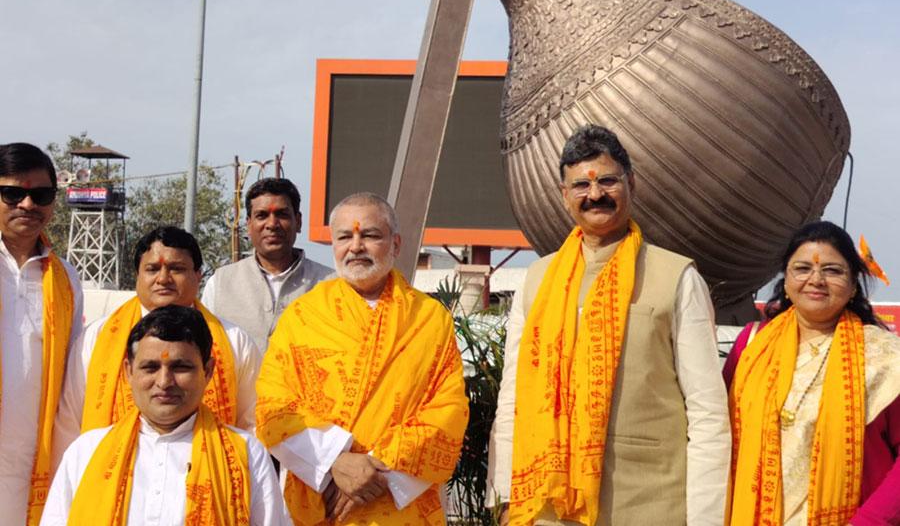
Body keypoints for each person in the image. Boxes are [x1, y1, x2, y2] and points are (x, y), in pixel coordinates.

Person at [486, 125, 731, 526]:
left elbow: (707, 409)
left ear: (631, 183)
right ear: (564, 195)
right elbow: (513, 396)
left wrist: (705, 517)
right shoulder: (538, 279)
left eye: (608, 181)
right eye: (580, 184)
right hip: (548, 503)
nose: (595, 194)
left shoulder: (675, 276)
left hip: (648, 502)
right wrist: (505, 496)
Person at [255, 192, 468, 525]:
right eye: (344, 236)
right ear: (333, 245)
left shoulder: (429, 320)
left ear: (395, 244)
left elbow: (448, 410)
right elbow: (273, 405)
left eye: (370, 235)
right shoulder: (302, 317)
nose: (355, 246)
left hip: (400, 502)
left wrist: (377, 471)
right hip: (322, 499)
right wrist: (334, 462)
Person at [41, 305, 288, 525]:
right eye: (150, 367)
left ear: (208, 371)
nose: (164, 382)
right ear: (129, 371)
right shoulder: (86, 452)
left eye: (181, 367)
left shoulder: (245, 454)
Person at [724, 221, 900, 526]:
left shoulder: (885, 357)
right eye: (802, 268)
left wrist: (870, 521)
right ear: (787, 281)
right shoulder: (751, 345)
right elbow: (715, 432)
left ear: (853, 285)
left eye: (832, 271)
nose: (816, 279)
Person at [54, 226, 260, 456]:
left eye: (176, 269)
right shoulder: (97, 337)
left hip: (209, 475)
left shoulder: (234, 342)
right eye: (152, 269)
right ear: (138, 276)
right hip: (113, 476)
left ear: (198, 276)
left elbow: (252, 424)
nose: (163, 279)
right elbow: (69, 422)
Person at [0, 142, 84, 525]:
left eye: (41, 194)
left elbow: (72, 371)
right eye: (13, 193)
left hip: (35, 459)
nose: (28, 205)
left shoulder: (65, 279)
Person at [202, 178, 333, 352]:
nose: (272, 224)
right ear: (249, 224)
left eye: (282, 214)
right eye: (262, 215)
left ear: (298, 221)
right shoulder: (220, 284)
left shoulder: (330, 285)